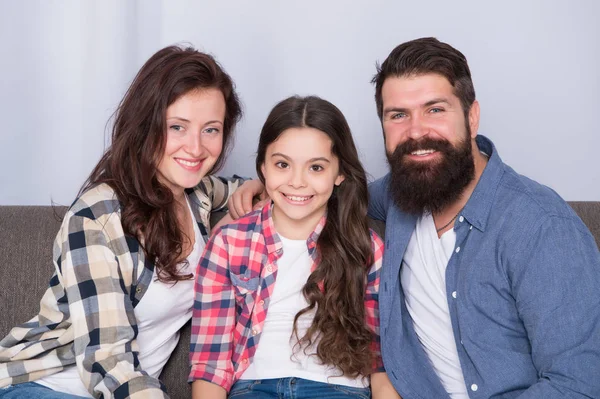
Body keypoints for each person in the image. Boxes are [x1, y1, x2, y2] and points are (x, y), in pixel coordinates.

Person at [228, 38, 600, 398]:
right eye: (398, 115)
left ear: (472, 117)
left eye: (435, 109)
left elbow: (578, 383)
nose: (417, 131)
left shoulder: (541, 227)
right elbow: (321, 190)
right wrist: (261, 185)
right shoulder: (401, 193)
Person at [0, 45, 245, 398]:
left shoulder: (198, 193)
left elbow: (242, 189)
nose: (196, 148)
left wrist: (255, 189)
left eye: (211, 130)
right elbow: (108, 360)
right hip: (48, 386)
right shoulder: (96, 217)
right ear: (146, 127)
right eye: (177, 127)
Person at [189, 96, 399, 399]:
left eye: (316, 167)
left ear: (339, 173)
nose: (297, 182)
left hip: (338, 390)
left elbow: (380, 360)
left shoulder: (365, 247)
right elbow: (210, 363)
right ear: (263, 167)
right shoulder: (228, 243)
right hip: (254, 388)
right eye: (283, 164)